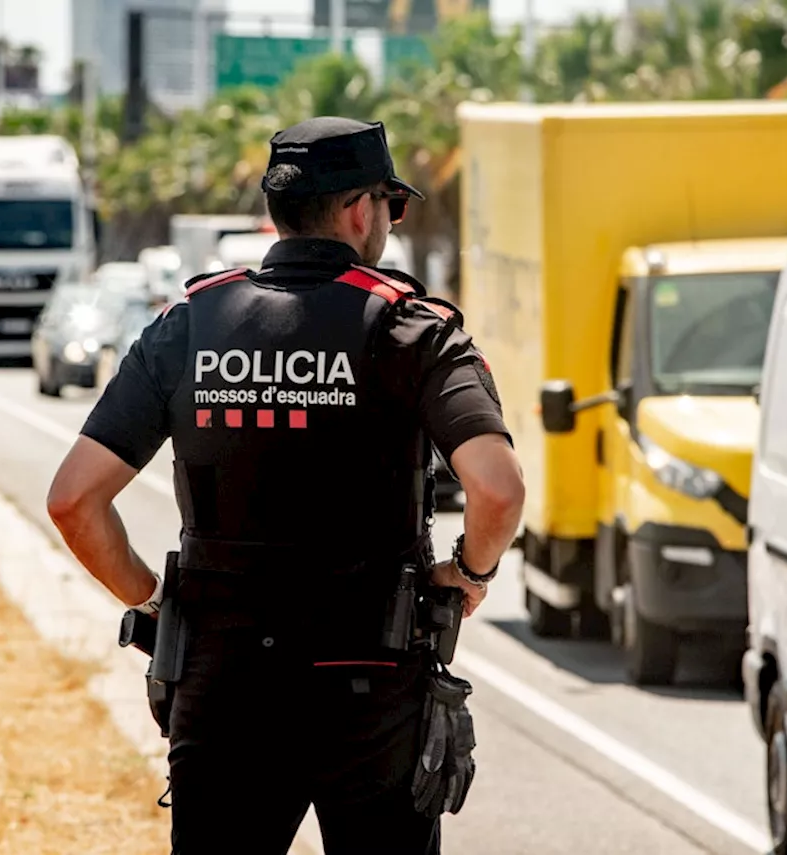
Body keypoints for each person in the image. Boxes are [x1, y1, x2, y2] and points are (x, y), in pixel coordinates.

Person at [46, 116, 524, 854]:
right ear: (362, 210)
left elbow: (74, 500)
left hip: (223, 685)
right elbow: (496, 487)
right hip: (370, 685)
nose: (391, 225)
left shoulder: (189, 324)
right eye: (392, 208)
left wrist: (152, 600)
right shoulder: (412, 328)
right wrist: (469, 571)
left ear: (277, 213)